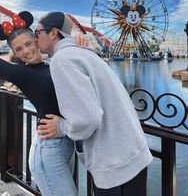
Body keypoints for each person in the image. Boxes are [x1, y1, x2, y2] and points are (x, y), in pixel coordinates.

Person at [35, 11, 153, 196]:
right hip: (134, 152)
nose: (35, 39)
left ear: (53, 32)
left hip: (113, 163)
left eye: (37, 32)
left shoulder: (62, 61)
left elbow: (87, 119)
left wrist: (62, 127)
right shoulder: (85, 53)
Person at [0, 11, 77, 196]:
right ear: (14, 53)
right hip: (49, 150)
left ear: (37, 41)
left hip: (65, 141)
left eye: (28, 44)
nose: (26, 51)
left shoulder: (54, 63)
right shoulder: (21, 73)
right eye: (19, 49)